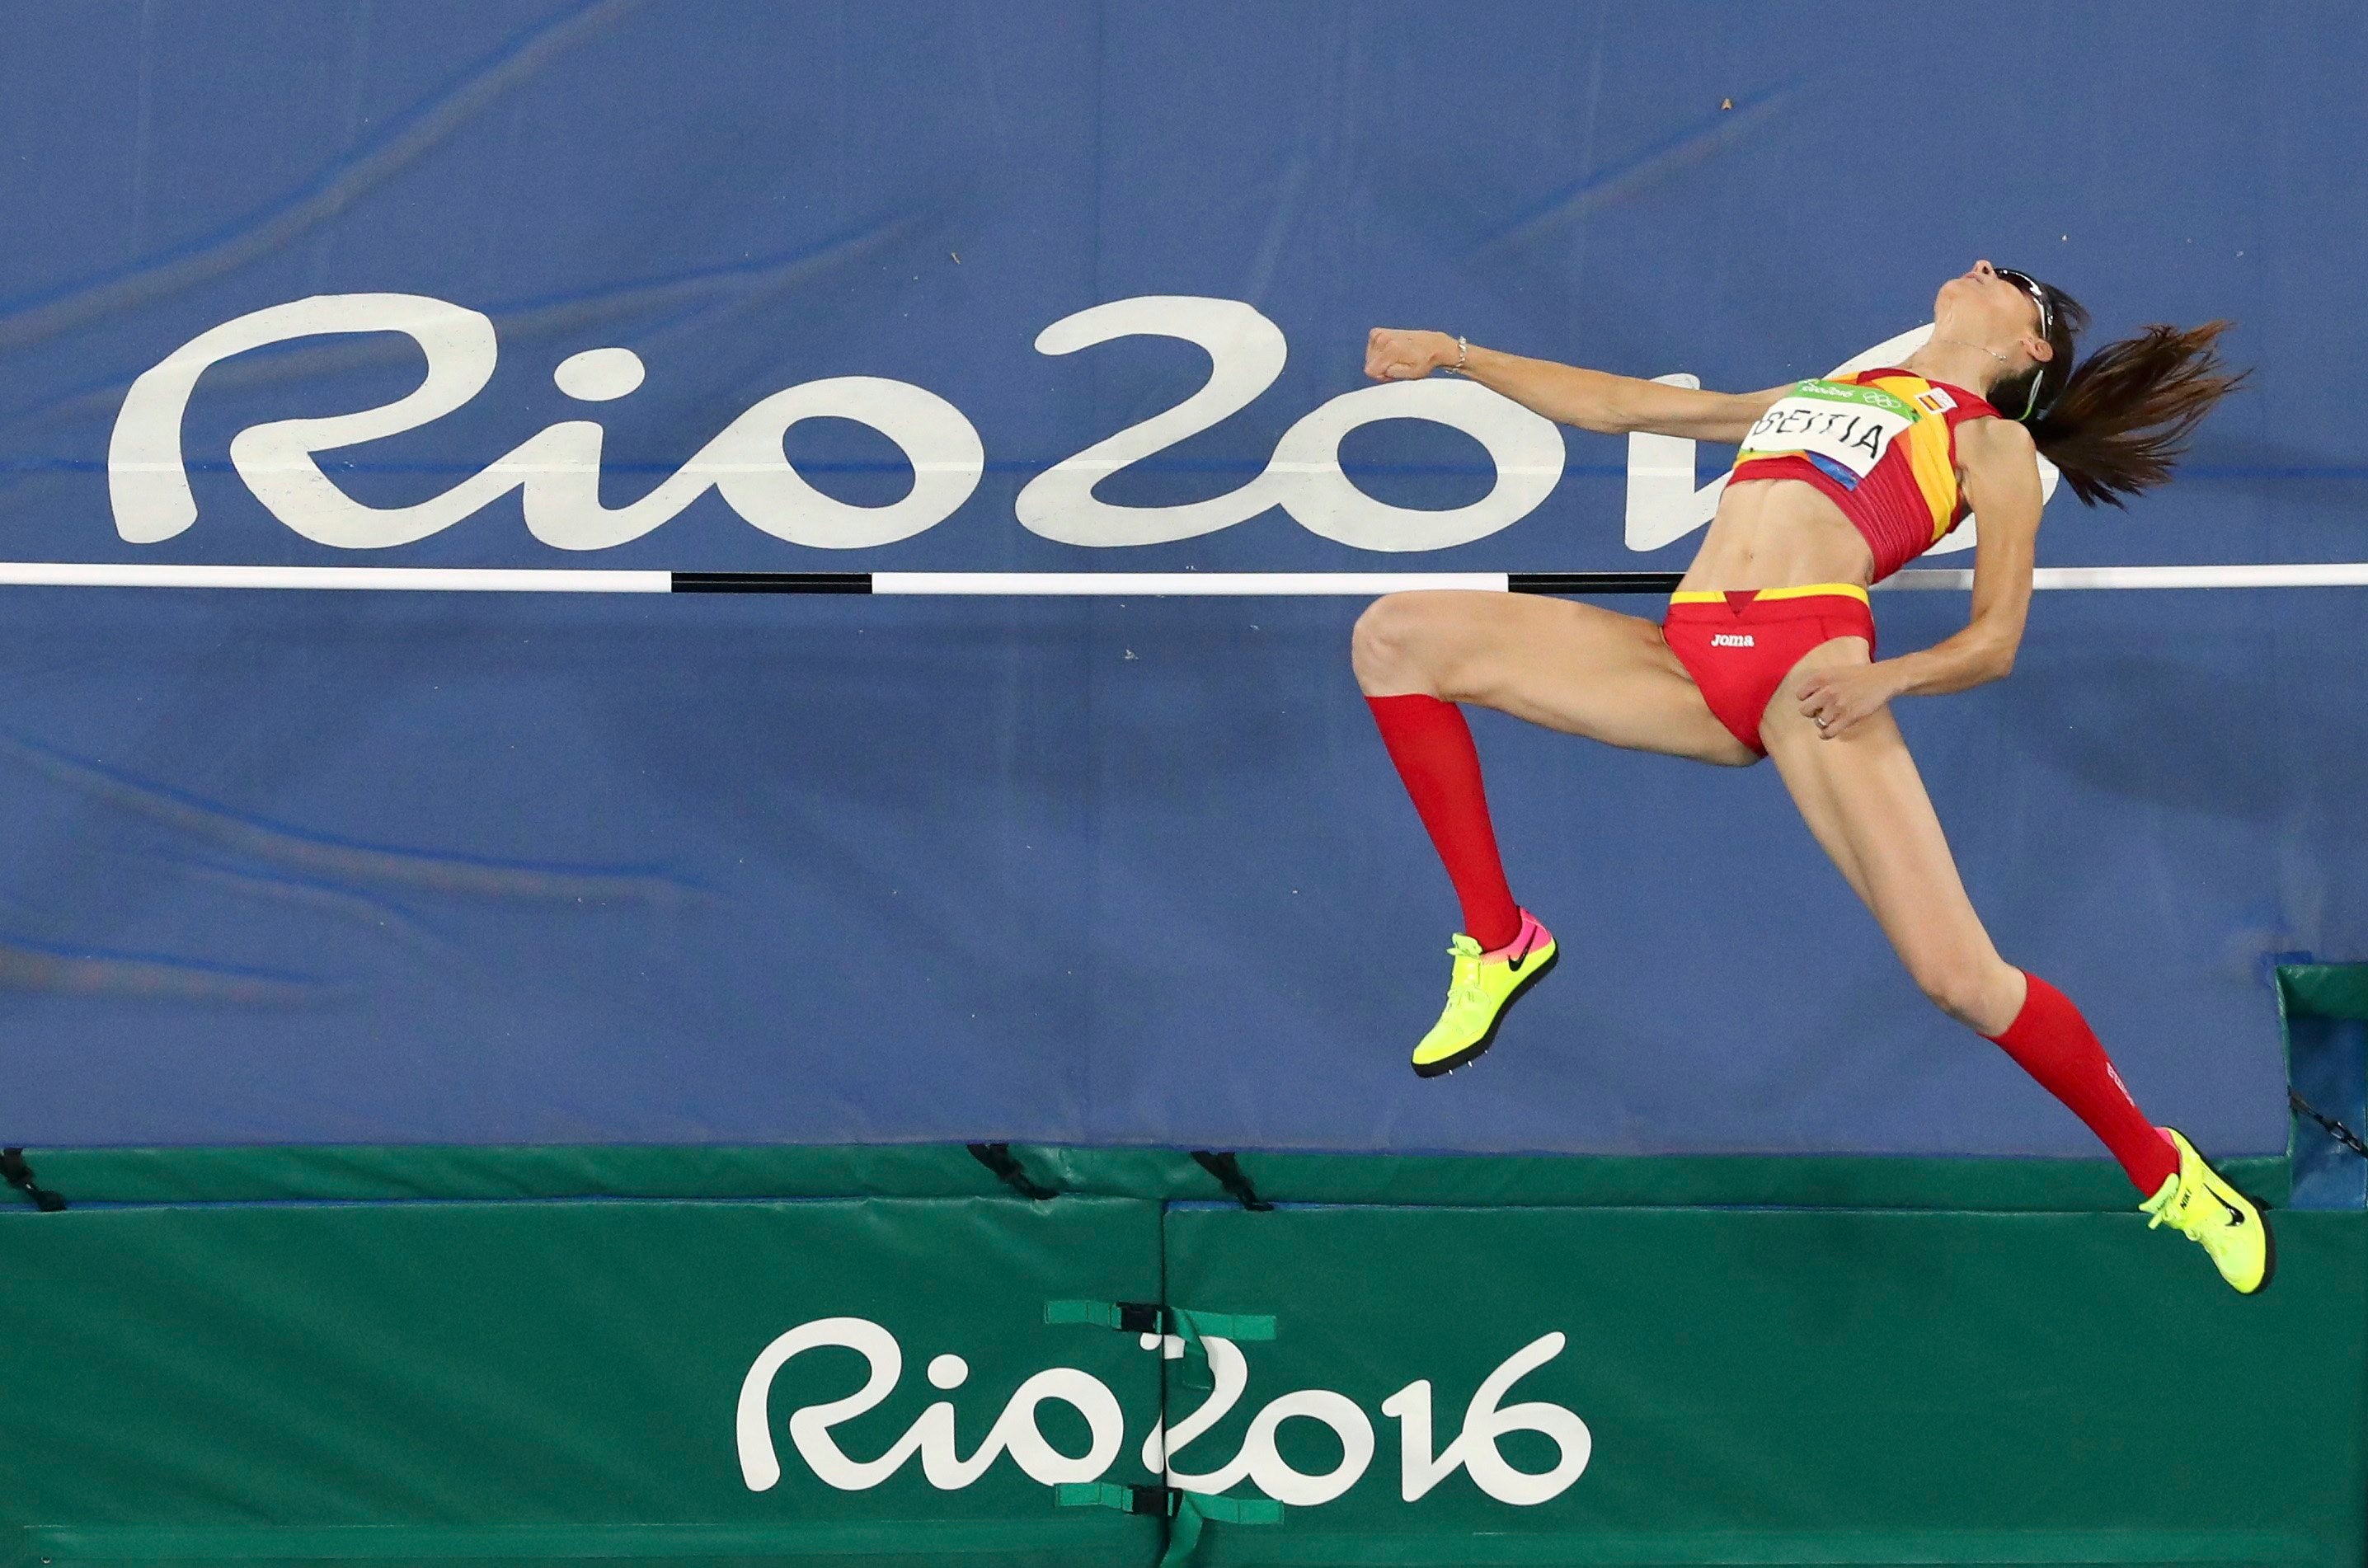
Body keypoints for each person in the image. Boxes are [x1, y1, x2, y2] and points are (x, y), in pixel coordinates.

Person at [1354, 261, 2267, 1292]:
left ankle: (2166, 1170)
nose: (1978, 268)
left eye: (2007, 278)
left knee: (1958, 980)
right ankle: (1501, 939)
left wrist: (1895, 677)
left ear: (2032, 345)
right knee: (1396, 638)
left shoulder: (1989, 442)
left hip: (1811, 677)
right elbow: (1615, 405)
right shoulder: (1810, 397)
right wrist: (1456, 357)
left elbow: (1997, 637)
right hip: (1687, 662)